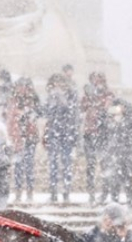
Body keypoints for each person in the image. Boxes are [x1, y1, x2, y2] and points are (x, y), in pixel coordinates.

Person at [43, 72, 80, 203]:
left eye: (60, 83)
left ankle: (66, 192)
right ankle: (53, 192)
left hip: (66, 134)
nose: (58, 85)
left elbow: (72, 113)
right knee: (53, 164)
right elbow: (46, 112)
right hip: (54, 133)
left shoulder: (71, 96)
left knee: (66, 165)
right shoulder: (50, 97)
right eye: (55, 83)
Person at [5, 77, 42, 202]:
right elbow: (10, 118)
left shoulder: (33, 100)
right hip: (17, 137)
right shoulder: (13, 101)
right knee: (18, 166)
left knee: (29, 165)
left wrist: (28, 114)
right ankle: (18, 192)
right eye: (20, 86)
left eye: (25, 86)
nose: (22, 89)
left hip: (30, 137)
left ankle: (30, 192)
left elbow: (39, 113)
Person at [81, 72, 114, 205]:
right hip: (89, 134)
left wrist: (101, 104)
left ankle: (104, 194)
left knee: (104, 166)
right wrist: (89, 98)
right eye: (94, 81)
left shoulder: (108, 95)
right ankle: (91, 194)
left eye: (99, 81)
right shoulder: (88, 95)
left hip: (102, 134)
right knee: (90, 166)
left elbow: (108, 109)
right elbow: (82, 108)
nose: (97, 83)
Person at [101, 98, 132, 206]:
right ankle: (114, 204)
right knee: (114, 182)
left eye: (120, 107)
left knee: (128, 182)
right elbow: (103, 128)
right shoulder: (111, 120)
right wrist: (107, 111)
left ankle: (130, 204)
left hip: (127, 155)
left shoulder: (131, 120)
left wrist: (123, 116)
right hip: (114, 156)